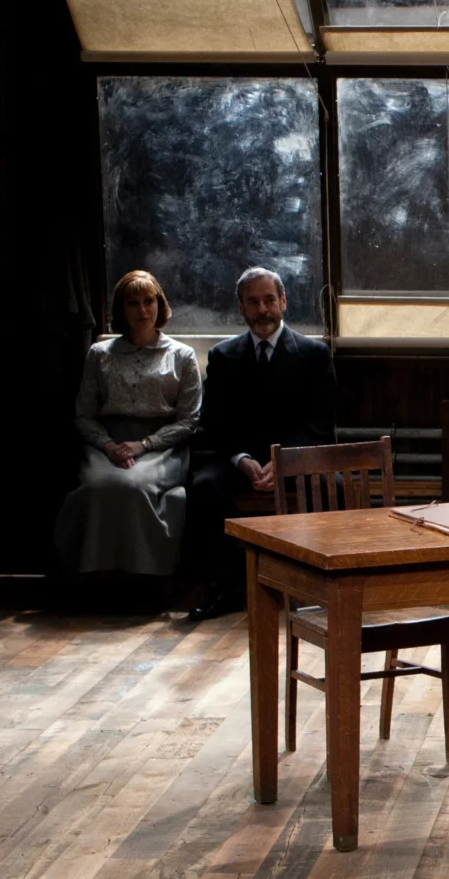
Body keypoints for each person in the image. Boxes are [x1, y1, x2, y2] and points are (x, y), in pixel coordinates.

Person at [185, 266, 337, 620]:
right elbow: (214, 422)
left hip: (297, 459)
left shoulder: (314, 354)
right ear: (241, 308)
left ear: (283, 302)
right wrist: (240, 458)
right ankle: (227, 589)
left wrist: (284, 462)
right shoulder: (224, 357)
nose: (263, 309)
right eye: (253, 302)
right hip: (241, 461)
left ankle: (323, 586)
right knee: (204, 487)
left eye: (269, 299)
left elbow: (321, 424)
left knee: (337, 487)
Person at [54, 270, 202, 582]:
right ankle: (98, 576)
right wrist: (108, 446)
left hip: (161, 446)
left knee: (134, 486)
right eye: (132, 303)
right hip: (107, 444)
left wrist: (145, 444)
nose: (142, 311)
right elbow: (84, 414)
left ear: (160, 305)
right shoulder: (100, 354)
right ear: (122, 310)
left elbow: (189, 419)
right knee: (99, 487)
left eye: (149, 302)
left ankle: (146, 577)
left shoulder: (182, 355)